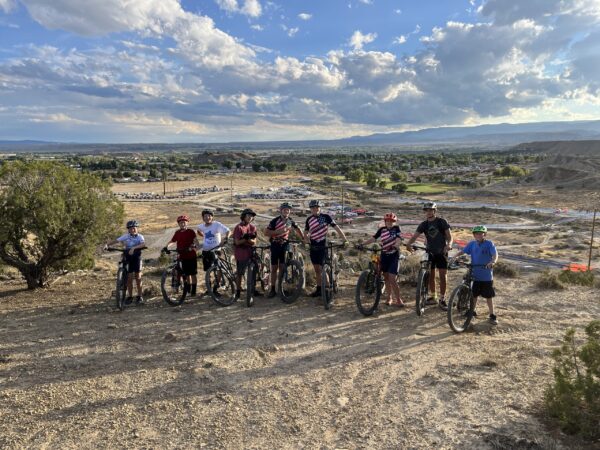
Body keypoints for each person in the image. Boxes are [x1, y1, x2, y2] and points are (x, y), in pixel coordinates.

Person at [405, 202, 453, 310]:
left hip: (442, 252)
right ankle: (433, 296)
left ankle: (442, 299)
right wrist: (408, 244)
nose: (428, 212)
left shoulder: (442, 222)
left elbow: (450, 237)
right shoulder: (424, 224)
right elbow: (415, 236)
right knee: (431, 275)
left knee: (442, 276)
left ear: (435, 211)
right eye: (427, 210)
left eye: (431, 210)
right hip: (429, 252)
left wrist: (449, 245)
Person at [453, 225, 499, 325]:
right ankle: (472, 311)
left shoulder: (489, 244)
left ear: (484, 234)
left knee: (488, 296)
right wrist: (455, 256)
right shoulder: (472, 244)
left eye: (480, 233)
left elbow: (495, 254)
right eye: (476, 233)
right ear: (474, 235)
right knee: (474, 295)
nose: (478, 235)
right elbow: (463, 251)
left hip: (486, 275)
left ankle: (492, 314)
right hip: (475, 274)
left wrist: (493, 262)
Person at [304, 200, 348, 298]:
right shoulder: (309, 219)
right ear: (310, 209)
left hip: (323, 244)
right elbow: (306, 232)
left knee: (323, 268)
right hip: (313, 246)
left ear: (320, 208)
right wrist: (307, 242)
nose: (315, 209)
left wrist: (345, 240)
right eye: (313, 208)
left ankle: (328, 290)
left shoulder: (326, 217)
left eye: (317, 207)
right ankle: (319, 290)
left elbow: (337, 228)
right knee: (317, 269)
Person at [361, 213, 404, 306]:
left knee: (392, 279)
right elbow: (373, 238)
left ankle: (398, 299)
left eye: (392, 221)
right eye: (388, 221)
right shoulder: (381, 229)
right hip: (384, 255)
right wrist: (362, 244)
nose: (389, 222)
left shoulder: (396, 229)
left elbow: (399, 238)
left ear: (394, 222)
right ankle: (389, 298)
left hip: (394, 255)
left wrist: (396, 245)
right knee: (386, 278)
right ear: (385, 221)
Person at [264, 202, 304, 297]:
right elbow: (266, 232)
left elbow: (298, 229)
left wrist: (303, 238)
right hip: (275, 244)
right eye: (285, 209)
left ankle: (282, 287)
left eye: (288, 210)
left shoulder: (291, 221)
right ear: (281, 210)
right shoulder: (274, 221)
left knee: (282, 267)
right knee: (274, 268)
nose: (286, 211)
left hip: (285, 244)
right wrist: (277, 232)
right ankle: (273, 289)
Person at [106, 219, 146, 304]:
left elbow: (143, 244)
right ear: (128, 229)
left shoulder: (140, 236)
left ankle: (140, 296)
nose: (132, 229)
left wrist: (134, 248)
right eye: (131, 228)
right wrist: (107, 245)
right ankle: (130, 296)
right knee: (129, 278)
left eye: (134, 228)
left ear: (137, 228)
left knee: (138, 277)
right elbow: (117, 240)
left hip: (136, 258)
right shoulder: (126, 236)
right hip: (128, 258)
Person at [197, 209, 231, 295]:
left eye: (209, 216)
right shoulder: (201, 226)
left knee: (219, 269)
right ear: (203, 218)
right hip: (206, 251)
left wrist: (226, 238)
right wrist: (202, 235)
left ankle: (216, 288)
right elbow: (198, 230)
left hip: (216, 251)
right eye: (205, 216)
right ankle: (208, 289)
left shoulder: (217, 224)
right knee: (208, 271)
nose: (207, 217)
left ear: (212, 217)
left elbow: (228, 231)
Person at [163, 215, 199, 296]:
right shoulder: (177, 233)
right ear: (178, 224)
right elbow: (172, 241)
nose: (182, 224)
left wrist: (193, 246)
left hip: (191, 255)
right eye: (181, 223)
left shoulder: (191, 231)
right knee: (186, 274)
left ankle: (193, 291)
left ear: (187, 223)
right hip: (182, 256)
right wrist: (166, 247)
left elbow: (196, 241)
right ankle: (188, 290)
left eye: (184, 222)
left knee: (193, 274)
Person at [233, 208, 258, 300]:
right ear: (243, 216)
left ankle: (253, 289)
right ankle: (238, 292)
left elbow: (254, 242)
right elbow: (237, 242)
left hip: (251, 251)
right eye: (248, 216)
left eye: (251, 216)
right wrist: (247, 239)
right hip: (241, 252)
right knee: (240, 273)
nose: (250, 217)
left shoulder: (253, 227)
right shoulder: (238, 227)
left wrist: (247, 240)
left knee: (255, 269)